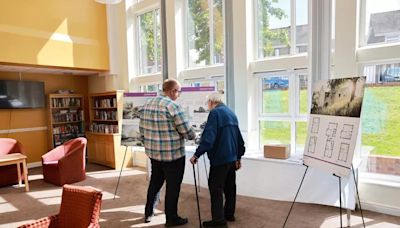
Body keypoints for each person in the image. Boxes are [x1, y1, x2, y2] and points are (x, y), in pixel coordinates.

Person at [140, 79, 196, 227]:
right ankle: (171, 219)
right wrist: (194, 135)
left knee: (155, 182)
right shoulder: (173, 106)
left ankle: (148, 212)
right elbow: (186, 131)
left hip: (154, 154)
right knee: (173, 187)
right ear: (172, 91)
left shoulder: (147, 104)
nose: (178, 95)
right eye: (178, 91)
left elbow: (142, 130)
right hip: (173, 156)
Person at [190, 92, 245, 227]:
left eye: (207, 103)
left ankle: (219, 221)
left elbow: (208, 139)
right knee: (230, 188)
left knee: (216, 189)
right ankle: (229, 214)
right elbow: (239, 140)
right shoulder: (231, 113)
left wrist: (197, 154)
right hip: (231, 159)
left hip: (220, 160)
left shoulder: (215, 114)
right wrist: (238, 157)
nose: (207, 106)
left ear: (211, 102)